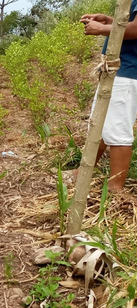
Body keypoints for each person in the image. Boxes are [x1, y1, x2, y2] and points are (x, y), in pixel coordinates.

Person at [79, 0, 137, 191]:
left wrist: (102, 29)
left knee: (118, 130)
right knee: (102, 122)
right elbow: (130, 23)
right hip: (119, 70)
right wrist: (107, 21)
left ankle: (115, 189)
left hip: (128, 71)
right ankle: (83, 172)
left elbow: (136, 29)